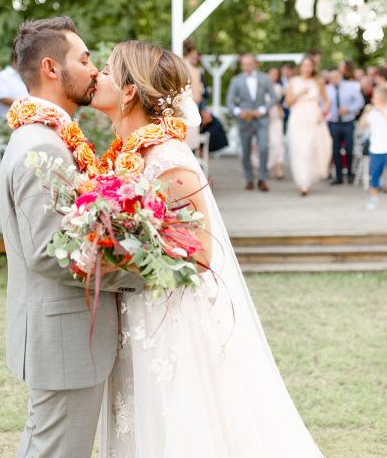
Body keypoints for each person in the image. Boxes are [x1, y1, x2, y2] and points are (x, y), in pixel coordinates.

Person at [90, 40, 322, 458]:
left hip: (169, 320)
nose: (96, 75)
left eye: (106, 70)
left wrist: (115, 259)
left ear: (128, 91)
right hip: (135, 313)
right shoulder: (125, 154)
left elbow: (200, 255)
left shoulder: (168, 159)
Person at [0, 18, 145, 458]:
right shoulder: (42, 146)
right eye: (84, 59)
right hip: (64, 335)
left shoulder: (46, 138)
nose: (95, 70)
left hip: (62, 332)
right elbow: (50, 253)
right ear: (51, 68)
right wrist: (141, 273)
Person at [226, 54, 278, 191]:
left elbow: (273, 98)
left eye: (249, 64)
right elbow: (229, 102)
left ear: (255, 64)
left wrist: (262, 110)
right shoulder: (236, 81)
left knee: (263, 148)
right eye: (244, 64)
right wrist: (239, 112)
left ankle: (262, 179)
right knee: (245, 151)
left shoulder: (265, 78)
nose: (247, 67)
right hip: (245, 120)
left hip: (262, 120)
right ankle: (249, 179)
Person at [285, 55, 333, 196]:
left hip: (314, 116)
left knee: (317, 147)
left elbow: (326, 101)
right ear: (300, 66)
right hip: (298, 116)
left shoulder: (318, 81)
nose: (307, 68)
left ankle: (310, 177)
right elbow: (287, 103)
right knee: (300, 149)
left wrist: (322, 113)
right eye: (304, 65)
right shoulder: (293, 81)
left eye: (309, 66)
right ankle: (303, 183)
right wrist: (300, 93)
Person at [182, 39, 228, 153]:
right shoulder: (192, 69)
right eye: (194, 55)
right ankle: (201, 152)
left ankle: (202, 152)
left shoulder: (190, 68)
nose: (196, 57)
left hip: (196, 106)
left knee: (213, 125)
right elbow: (197, 96)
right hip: (193, 107)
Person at [326, 68, 365, 184]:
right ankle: (338, 177)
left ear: (340, 76)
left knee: (348, 148)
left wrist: (348, 109)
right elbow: (322, 105)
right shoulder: (327, 89)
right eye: (331, 78)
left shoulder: (350, 87)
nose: (333, 79)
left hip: (348, 122)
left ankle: (349, 174)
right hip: (334, 122)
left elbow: (360, 101)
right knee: (335, 150)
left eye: (335, 77)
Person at [267, 66, 286, 179]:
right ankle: (268, 165)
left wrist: (280, 109)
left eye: (276, 74)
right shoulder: (262, 87)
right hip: (265, 117)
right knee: (267, 143)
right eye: (271, 74)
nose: (274, 76)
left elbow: (281, 102)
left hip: (276, 116)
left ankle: (279, 167)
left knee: (278, 142)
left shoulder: (279, 87)